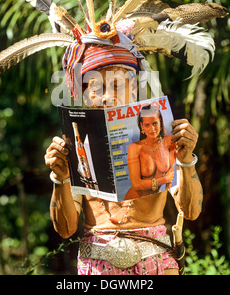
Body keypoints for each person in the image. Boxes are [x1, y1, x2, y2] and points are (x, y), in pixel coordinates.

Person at [45, 43, 202, 276]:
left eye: (117, 85)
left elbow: (190, 211)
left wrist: (186, 159)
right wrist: (60, 177)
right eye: (95, 87)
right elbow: (66, 229)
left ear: (134, 88)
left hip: (156, 262)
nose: (107, 97)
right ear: (85, 95)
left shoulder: (161, 133)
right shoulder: (74, 146)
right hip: (96, 266)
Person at [124, 104, 176, 200]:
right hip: (134, 201)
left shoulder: (170, 141)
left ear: (160, 122)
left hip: (155, 200)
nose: (152, 129)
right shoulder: (135, 147)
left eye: (155, 123)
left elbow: (170, 177)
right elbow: (136, 185)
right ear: (141, 126)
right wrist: (164, 179)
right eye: (147, 125)